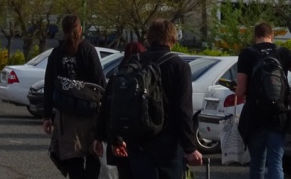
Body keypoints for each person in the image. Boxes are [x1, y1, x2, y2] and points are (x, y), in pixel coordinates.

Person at [119, 19, 202, 179]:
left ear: (149, 38)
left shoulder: (134, 61)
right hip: (168, 142)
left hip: (137, 140)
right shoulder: (178, 66)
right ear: (173, 38)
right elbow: (183, 109)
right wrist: (190, 147)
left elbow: (120, 99)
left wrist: (116, 137)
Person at [235, 22, 291, 179]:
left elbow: (240, 91)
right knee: (275, 163)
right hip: (279, 116)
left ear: (255, 36)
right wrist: (290, 100)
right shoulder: (283, 52)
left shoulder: (247, 54)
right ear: (272, 36)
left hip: (255, 116)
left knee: (257, 164)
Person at [43, 14, 107, 179]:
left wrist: (47, 116)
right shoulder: (88, 50)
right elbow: (100, 84)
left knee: (73, 159)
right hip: (90, 113)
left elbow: (49, 86)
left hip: (67, 116)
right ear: (80, 29)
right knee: (93, 155)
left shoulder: (57, 54)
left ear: (63, 31)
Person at [93, 40, 145, 179]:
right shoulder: (146, 80)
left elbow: (106, 110)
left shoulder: (117, 79)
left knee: (123, 173)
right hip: (140, 140)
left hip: (118, 139)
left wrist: (100, 137)